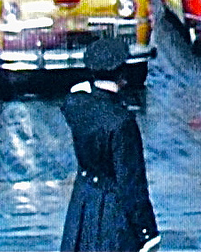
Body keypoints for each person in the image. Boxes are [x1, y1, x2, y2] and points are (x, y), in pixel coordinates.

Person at [60, 37, 159, 252]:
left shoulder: (76, 105)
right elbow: (131, 183)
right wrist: (147, 232)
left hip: (83, 202)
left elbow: (73, 96)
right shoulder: (121, 121)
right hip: (112, 213)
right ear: (121, 75)